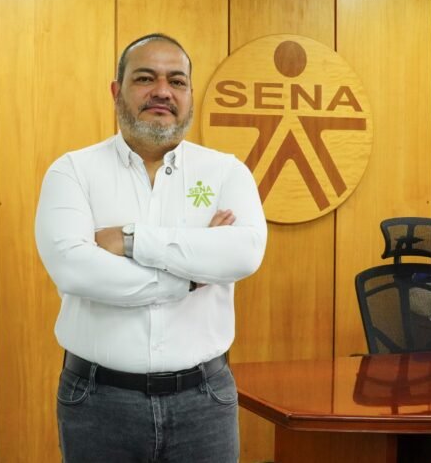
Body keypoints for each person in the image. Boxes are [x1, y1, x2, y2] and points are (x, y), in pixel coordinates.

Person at [35, 32, 267, 463]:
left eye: (176, 81)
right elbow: (74, 269)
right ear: (116, 91)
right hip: (98, 401)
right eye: (145, 78)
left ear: (190, 95)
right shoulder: (72, 172)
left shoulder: (225, 172)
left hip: (204, 401)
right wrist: (192, 276)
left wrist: (130, 240)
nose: (162, 91)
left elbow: (244, 252)